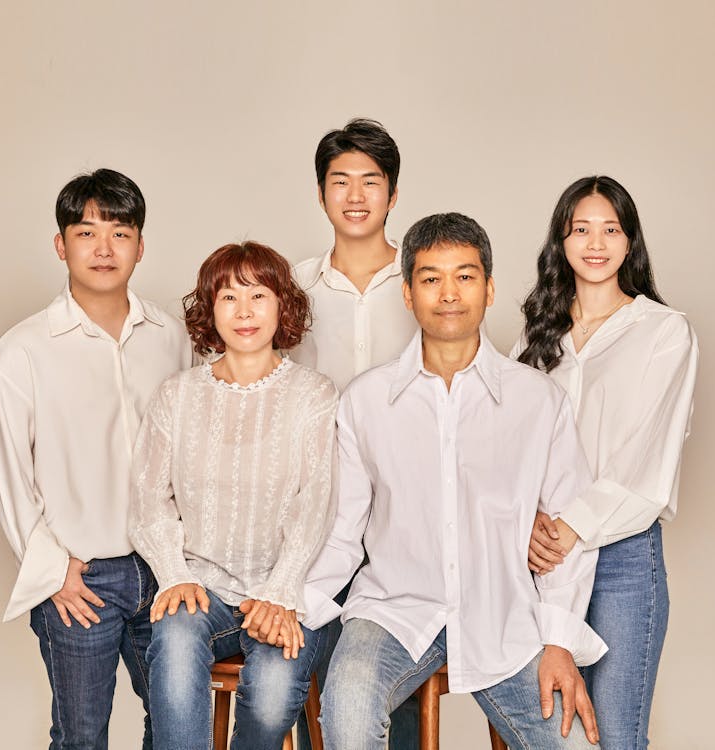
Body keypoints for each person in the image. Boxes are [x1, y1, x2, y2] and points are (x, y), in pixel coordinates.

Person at [303, 212, 608, 750]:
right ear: (407, 293)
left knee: (575, 745)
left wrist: (559, 642)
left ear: (489, 289)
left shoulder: (538, 401)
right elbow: (343, 531)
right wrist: (297, 604)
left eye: (465, 276)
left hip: (505, 617)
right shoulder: (366, 401)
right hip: (394, 611)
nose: (448, 294)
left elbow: (567, 532)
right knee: (345, 714)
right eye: (430, 278)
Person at [0, 168, 193, 749]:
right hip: (82, 578)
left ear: (141, 246)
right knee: (80, 736)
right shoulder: (23, 350)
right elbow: (8, 474)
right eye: (86, 231)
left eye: (121, 233)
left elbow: (189, 455)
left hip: (162, 569)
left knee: (176, 729)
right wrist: (54, 570)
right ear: (61, 244)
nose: (104, 248)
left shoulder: (170, 337)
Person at [129, 241, 338, 750]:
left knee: (270, 695)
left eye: (258, 295)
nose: (244, 312)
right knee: (174, 641)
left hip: (284, 593)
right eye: (227, 297)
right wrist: (174, 575)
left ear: (283, 305)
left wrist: (280, 592)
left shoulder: (315, 395)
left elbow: (317, 503)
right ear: (209, 310)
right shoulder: (176, 396)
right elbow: (148, 498)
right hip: (202, 586)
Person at [514, 176, 699, 749]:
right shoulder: (539, 333)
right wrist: (527, 529)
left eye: (611, 229)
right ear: (561, 241)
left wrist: (568, 527)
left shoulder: (663, 332)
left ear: (630, 240)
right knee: (554, 732)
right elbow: (512, 447)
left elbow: (648, 456)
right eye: (581, 229)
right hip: (543, 560)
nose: (596, 243)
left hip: (620, 558)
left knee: (616, 734)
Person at [293, 117, 420, 749]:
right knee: (311, 679)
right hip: (314, 513)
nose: (355, 195)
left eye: (371, 181)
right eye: (340, 181)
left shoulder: (429, 285)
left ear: (393, 195)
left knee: (385, 678)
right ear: (321, 194)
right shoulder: (290, 288)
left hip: (404, 514)